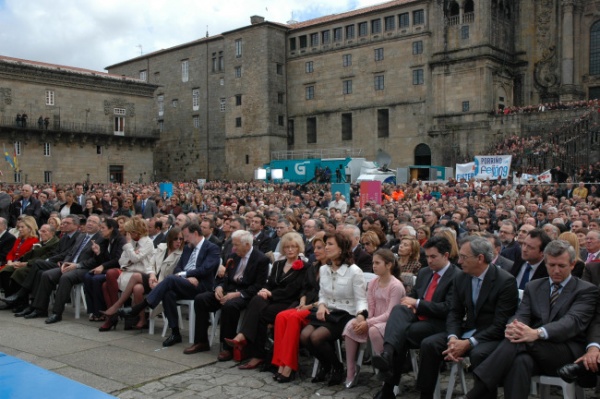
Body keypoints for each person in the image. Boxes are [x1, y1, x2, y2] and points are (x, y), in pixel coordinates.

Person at [465, 240, 598, 399]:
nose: (556, 270)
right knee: (520, 362)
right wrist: (514, 326)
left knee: (517, 343)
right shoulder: (534, 286)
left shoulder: (586, 290)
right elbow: (522, 314)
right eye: (551, 265)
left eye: (561, 266)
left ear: (572, 265)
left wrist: (537, 333)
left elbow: (572, 322)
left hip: (565, 349)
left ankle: (475, 392)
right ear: (546, 263)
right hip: (533, 349)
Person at [415, 236, 518, 399]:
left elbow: (500, 325)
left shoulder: (505, 281)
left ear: (480, 258)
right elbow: (454, 312)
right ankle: (425, 395)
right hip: (467, 329)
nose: (459, 261)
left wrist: (468, 343)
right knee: (429, 344)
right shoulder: (461, 277)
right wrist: (453, 337)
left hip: (490, 335)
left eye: (464, 257)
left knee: (479, 354)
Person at [371, 236, 459, 399]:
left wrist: (417, 303)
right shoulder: (426, 272)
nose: (429, 261)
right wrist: (411, 302)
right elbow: (415, 294)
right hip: (418, 317)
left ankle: (388, 385)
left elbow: (448, 308)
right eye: (427, 256)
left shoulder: (456, 276)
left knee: (402, 334)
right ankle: (388, 354)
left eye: (434, 257)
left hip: (439, 323)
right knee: (399, 309)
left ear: (446, 256)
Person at [116, 222, 221, 346]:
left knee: (170, 279)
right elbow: (178, 269)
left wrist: (185, 275)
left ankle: (139, 307)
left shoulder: (211, 248)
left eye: (186, 236)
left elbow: (205, 269)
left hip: (201, 287)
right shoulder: (188, 248)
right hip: (185, 283)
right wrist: (185, 276)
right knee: (168, 293)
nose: (185, 240)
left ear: (196, 234)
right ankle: (175, 333)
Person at [226, 232, 308, 370]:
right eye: (287, 247)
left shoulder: (304, 267)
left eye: (293, 247)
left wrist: (271, 293)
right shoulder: (278, 264)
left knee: (261, 314)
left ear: (299, 248)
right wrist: (265, 290)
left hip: (288, 302)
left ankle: (253, 349)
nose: (290, 250)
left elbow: (293, 289)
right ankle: (246, 342)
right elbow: (269, 283)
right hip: (272, 298)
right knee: (257, 298)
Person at [184, 230, 269, 359]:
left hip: (244, 294)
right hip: (227, 290)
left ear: (247, 245)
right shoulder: (233, 256)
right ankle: (201, 341)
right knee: (201, 299)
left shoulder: (261, 259)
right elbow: (223, 277)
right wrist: (218, 287)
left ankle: (227, 347)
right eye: (233, 245)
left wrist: (236, 294)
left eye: (237, 245)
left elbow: (258, 286)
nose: (233, 248)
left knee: (230, 306)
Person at [300, 232, 367, 387]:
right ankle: (327, 364)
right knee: (304, 336)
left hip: (345, 313)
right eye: (326, 244)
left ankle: (337, 367)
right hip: (328, 311)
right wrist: (322, 305)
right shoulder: (324, 269)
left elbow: (361, 299)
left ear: (341, 249)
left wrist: (361, 315)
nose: (326, 248)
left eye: (330, 244)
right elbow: (322, 294)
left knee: (316, 337)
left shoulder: (354, 271)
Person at [99, 227, 184, 332]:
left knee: (136, 282)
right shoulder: (162, 247)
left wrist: (157, 281)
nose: (179, 241)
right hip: (151, 277)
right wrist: (152, 276)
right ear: (170, 239)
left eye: (181, 239)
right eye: (176, 239)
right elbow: (150, 264)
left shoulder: (181, 254)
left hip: (163, 283)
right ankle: (142, 319)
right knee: (135, 287)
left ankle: (117, 306)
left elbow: (175, 275)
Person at [342, 248, 404, 389]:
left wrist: (368, 323)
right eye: (373, 262)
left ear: (388, 265)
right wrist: (362, 320)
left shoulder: (396, 286)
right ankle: (351, 370)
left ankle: (386, 369)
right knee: (350, 325)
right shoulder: (373, 283)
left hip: (390, 323)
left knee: (374, 331)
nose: (374, 266)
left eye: (377, 263)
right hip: (374, 319)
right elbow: (371, 306)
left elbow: (390, 313)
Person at [271, 231, 326, 383]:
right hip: (305, 304)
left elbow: (328, 296)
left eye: (320, 248)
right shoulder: (313, 267)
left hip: (319, 307)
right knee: (281, 316)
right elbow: (305, 288)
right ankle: (279, 363)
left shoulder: (330, 269)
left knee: (293, 317)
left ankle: (289, 366)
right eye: (315, 248)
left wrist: (308, 306)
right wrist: (302, 301)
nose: (315, 251)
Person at [27, 215, 103, 323]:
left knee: (65, 278)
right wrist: (65, 262)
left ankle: (57, 313)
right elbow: (71, 252)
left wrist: (76, 265)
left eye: (94, 222)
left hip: (85, 268)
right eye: (89, 221)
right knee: (46, 275)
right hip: (70, 265)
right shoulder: (81, 236)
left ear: (99, 226)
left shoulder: (101, 238)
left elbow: (95, 260)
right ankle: (40, 309)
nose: (90, 223)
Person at [6, 215, 81, 316]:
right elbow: (57, 252)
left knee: (37, 263)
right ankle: (36, 307)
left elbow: (68, 253)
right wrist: (50, 259)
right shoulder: (64, 237)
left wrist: (49, 259)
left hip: (65, 264)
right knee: (39, 272)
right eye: (63, 223)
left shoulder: (78, 237)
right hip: (56, 262)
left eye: (67, 223)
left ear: (76, 225)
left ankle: (22, 293)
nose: (63, 225)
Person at [100, 218, 154, 329]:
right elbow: (121, 261)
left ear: (136, 231)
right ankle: (113, 316)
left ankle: (116, 309)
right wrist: (132, 255)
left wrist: (131, 252)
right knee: (105, 284)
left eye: (130, 232)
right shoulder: (132, 242)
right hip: (128, 272)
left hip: (143, 273)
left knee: (136, 287)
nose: (127, 234)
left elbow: (135, 259)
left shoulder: (147, 242)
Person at [82, 218, 126, 322]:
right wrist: (98, 253)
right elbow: (103, 260)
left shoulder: (120, 240)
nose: (101, 230)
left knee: (96, 279)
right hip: (107, 268)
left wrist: (103, 266)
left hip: (116, 270)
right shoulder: (106, 241)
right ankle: (93, 310)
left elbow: (117, 259)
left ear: (111, 229)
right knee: (87, 276)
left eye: (103, 228)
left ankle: (101, 310)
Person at [0, 223, 56, 300]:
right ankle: (9, 298)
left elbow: (45, 257)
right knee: (5, 271)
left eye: (44, 231)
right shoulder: (20, 240)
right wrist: (12, 261)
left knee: (19, 272)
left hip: (38, 265)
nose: (20, 229)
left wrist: (24, 263)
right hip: (23, 262)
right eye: (41, 231)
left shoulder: (39, 241)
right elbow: (12, 252)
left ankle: (20, 301)